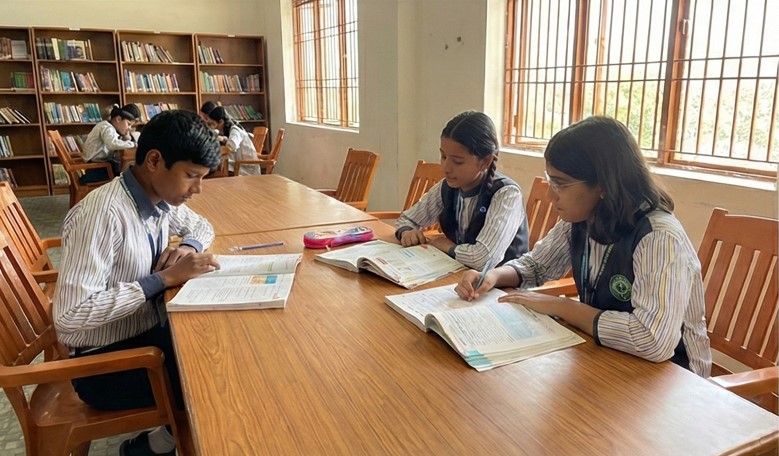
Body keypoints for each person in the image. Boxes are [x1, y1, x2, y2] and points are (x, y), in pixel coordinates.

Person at [455, 116, 712, 377]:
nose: (550, 195)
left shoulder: (659, 236)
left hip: (675, 376)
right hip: (609, 354)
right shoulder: (583, 217)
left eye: (560, 184)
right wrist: (493, 275)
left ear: (603, 184)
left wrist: (564, 307)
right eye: (550, 181)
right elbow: (536, 265)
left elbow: (653, 340)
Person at [53, 110, 222, 455]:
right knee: (214, 377)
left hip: (142, 336)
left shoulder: (157, 198)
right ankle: (162, 446)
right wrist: (161, 280)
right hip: (103, 366)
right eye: (191, 176)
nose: (197, 189)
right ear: (155, 161)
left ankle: (156, 444)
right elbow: (69, 317)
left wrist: (189, 247)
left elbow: (201, 226)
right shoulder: (104, 214)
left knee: (222, 345)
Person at [394, 110, 528, 270]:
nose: (446, 167)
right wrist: (407, 232)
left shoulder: (507, 194)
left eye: (457, 162)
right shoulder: (447, 186)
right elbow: (406, 219)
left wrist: (448, 247)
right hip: (458, 274)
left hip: (498, 283)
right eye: (443, 157)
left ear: (485, 161)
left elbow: (484, 259)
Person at [81, 103, 140, 183]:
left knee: (125, 172)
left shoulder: (112, 128)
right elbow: (113, 144)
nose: (129, 128)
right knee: (126, 176)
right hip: (95, 169)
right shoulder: (106, 127)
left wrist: (127, 137)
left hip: (101, 165)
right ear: (118, 119)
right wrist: (134, 144)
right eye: (128, 124)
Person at [205, 106, 260, 175]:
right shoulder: (231, 130)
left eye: (213, 124)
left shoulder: (235, 130)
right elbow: (229, 142)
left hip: (246, 170)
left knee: (211, 169)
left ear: (221, 122)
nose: (212, 127)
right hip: (239, 166)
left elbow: (230, 147)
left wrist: (213, 152)